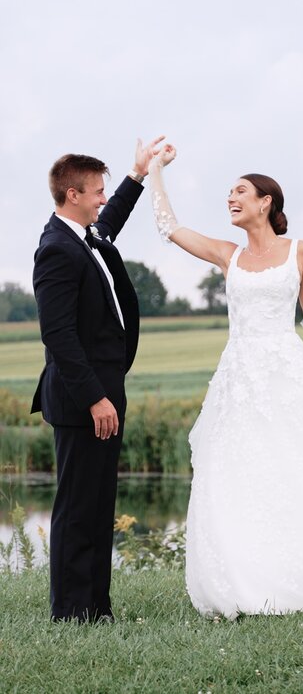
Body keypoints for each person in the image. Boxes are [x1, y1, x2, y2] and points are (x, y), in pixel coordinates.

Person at [149, 144, 303, 618]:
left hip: (288, 374)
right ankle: (252, 582)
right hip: (239, 378)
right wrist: (155, 171)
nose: (230, 199)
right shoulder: (229, 256)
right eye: (228, 194)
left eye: (240, 191)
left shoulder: (298, 252)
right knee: (240, 474)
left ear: (266, 202)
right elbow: (169, 227)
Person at [31, 136, 164, 622]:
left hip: (106, 394)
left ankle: (95, 607)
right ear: (73, 195)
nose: (103, 198)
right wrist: (95, 399)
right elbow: (59, 336)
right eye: (98, 191)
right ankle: (69, 611)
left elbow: (112, 220)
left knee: (98, 502)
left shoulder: (87, 238)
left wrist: (138, 172)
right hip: (81, 401)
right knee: (75, 507)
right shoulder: (56, 250)